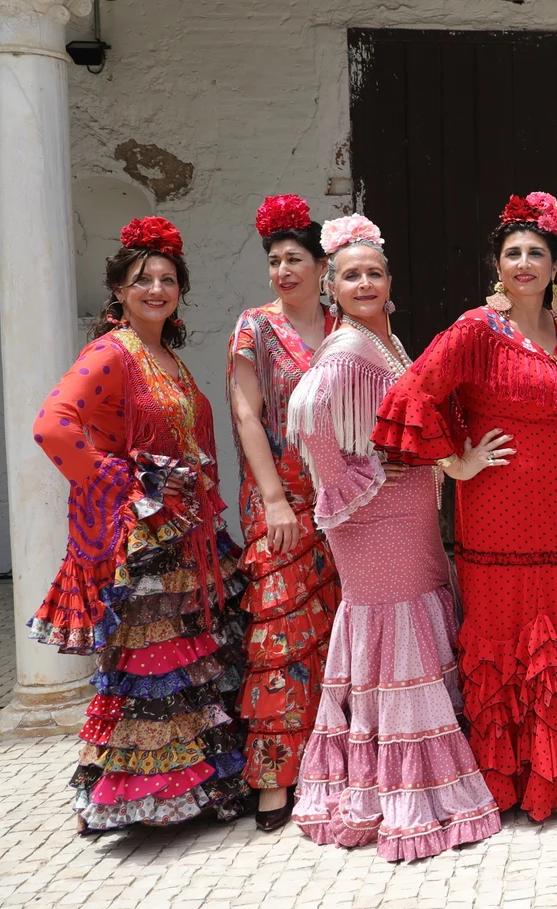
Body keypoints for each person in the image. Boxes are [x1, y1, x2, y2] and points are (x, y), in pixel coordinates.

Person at [371, 192, 557, 822]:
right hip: (500, 514)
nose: (524, 263)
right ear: (497, 266)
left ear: (555, 268)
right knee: (512, 641)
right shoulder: (475, 330)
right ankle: (521, 776)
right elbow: (412, 394)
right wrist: (456, 462)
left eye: (536, 253)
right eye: (512, 253)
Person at [27, 216, 251, 835]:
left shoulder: (166, 358)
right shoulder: (110, 351)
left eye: (168, 279)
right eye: (142, 279)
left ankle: (197, 789)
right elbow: (53, 425)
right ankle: (145, 796)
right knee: (151, 665)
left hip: (185, 537)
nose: (157, 288)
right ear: (119, 292)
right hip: (145, 544)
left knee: (189, 661)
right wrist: (122, 483)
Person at [287, 215, 501, 860]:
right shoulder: (349, 350)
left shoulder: (385, 344)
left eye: (373, 272)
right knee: (392, 628)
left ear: (390, 280)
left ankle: (397, 779)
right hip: (374, 520)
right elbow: (309, 415)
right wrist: (355, 485)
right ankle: (405, 795)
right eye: (350, 275)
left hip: (405, 515)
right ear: (331, 286)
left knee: (414, 617)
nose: (364, 283)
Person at [227, 194, 343, 830]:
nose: (283, 272)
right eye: (275, 261)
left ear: (323, 265)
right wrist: (272, 497)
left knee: (337, 633)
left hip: (345, 499)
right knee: (281, 636)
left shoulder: (343, 323)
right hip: (283, 503)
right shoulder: (255, 326)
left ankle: (334, 765)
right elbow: (246, 412)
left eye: (295, 259)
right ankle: (276, 777)